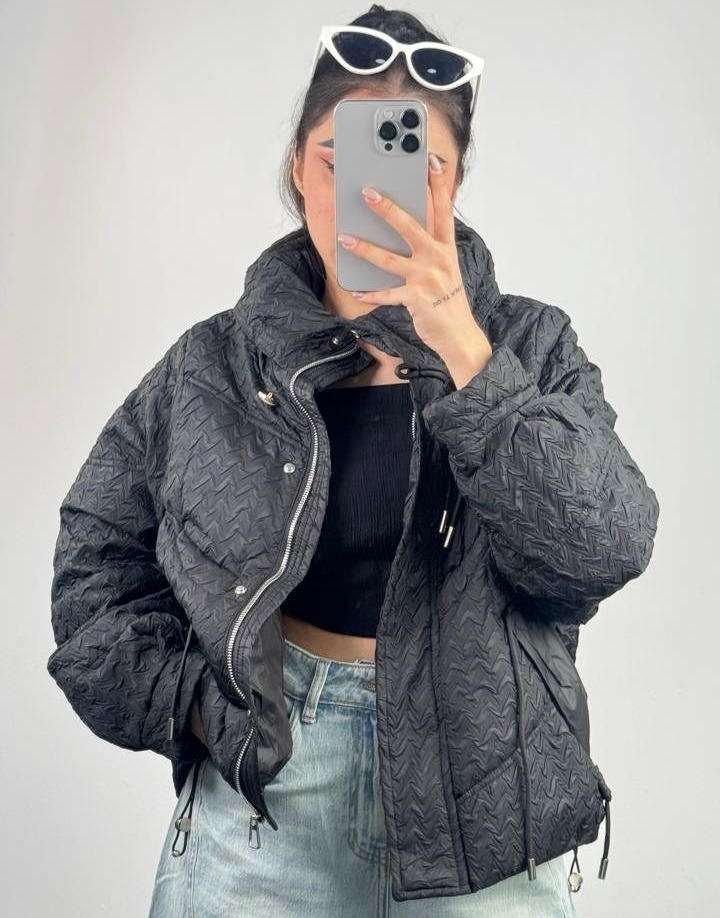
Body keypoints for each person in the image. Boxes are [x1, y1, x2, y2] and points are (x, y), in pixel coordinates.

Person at [46, 5, 659, 916]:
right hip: (272, 798)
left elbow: (599, 550)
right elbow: (94, 562)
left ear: (454, 185)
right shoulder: (214, 365)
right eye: (340, 162)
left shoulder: (529, 345)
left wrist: (463, 349)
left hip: (484, 802)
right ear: (299, 169)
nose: (373, 198)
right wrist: (199, 709)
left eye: (418, 169)